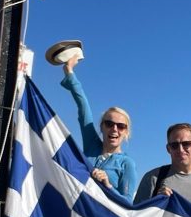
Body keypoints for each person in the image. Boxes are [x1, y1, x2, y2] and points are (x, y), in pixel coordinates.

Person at [58, 53, 137, 199]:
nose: (114, 129)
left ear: (126, 132)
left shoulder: (127, 164)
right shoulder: (92, 145)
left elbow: (127, 204)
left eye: (121, 126)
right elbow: (84, 109)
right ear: (101, 127)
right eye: (109, 124)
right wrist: (69, 71)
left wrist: (108, 185)